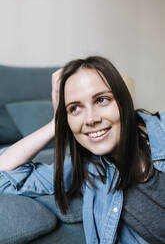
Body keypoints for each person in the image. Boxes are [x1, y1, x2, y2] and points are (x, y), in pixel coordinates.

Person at [0, 56, 165, 244]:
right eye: (75, 108)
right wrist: (56, 123)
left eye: (102, 100)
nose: (90, 119)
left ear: (123, 101)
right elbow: (4, 173)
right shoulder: (89, 170)